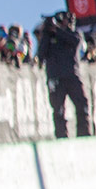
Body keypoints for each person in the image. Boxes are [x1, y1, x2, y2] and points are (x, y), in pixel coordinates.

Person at [38, 9, 91, 138]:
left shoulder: (74, 34)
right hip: (56, 78)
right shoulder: (49, 38)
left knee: (82, 105)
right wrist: (46, 33)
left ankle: (84, 134)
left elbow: (75, 42)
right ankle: (61, 135)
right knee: (58, 109)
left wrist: (57, 30)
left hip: (72, 76)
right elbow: (41, 54)